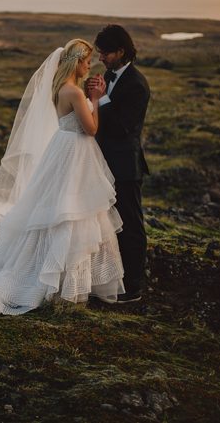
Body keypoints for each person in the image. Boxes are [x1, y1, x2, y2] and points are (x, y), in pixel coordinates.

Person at [0, 39, 125, 315]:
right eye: (86, 62)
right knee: (71, 211)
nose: (88, 67)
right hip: (75, 154)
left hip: (61, 149)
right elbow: (91, 129)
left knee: (57, 207)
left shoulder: (60, 88)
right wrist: (95, 98)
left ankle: (53, 269)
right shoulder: (76, 93)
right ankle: (59, 279)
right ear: (76, 63)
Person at [85, 24, 150, 304]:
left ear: (121, 51)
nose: (101, 58)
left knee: (131, 226)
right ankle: (110, 279)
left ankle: (133, 288)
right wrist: (93, 99)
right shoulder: (110, 75)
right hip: (103, 163)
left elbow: (123, 127)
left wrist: (103, 99)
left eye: (106, 53)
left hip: (125, 167)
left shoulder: (136, 84)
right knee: (107, 225)